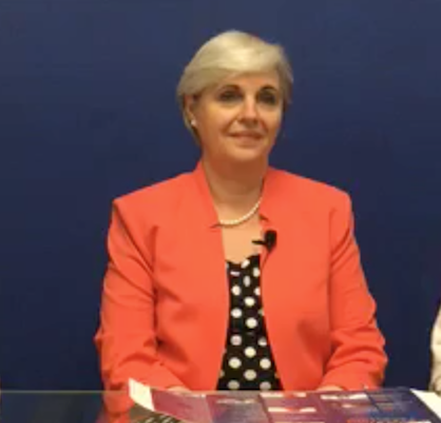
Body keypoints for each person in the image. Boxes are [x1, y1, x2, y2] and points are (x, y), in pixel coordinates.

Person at [95, 30, 386, 406]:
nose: (250, 114)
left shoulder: (328, 210)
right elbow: (126, 358)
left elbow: (360, 350)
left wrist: (319, 412)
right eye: (229, 96)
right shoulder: (140, 217)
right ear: (191, 110)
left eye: (267, 98)